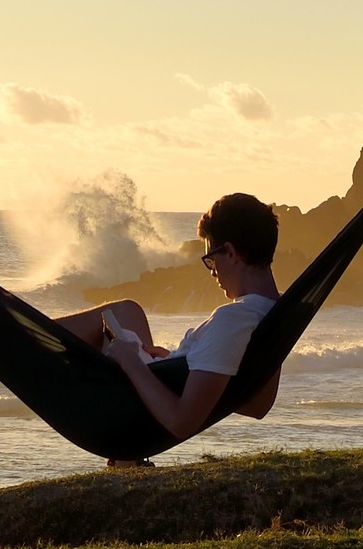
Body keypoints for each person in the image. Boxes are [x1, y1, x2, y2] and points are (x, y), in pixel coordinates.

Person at [55, 192, 283, 452]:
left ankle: (12, 334)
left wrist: (130, 360)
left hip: (137, 412)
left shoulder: (232, 319)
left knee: (123, 313)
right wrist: (177, 362)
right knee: (129, 314)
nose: (212, 272)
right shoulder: (276, 311)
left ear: (230, 252)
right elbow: (258, 406)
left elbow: (181, 421)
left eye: (211, 260)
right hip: (158, 385)